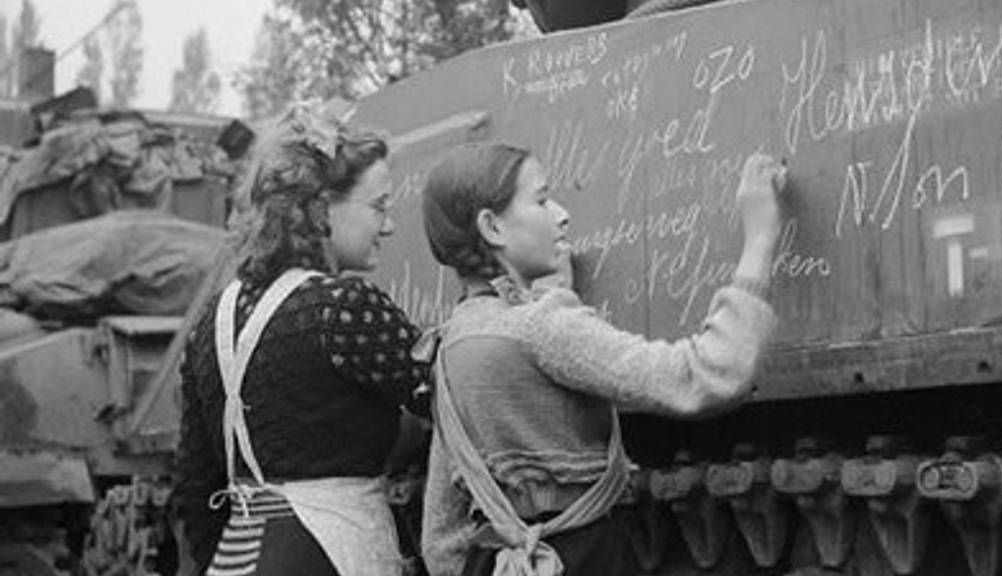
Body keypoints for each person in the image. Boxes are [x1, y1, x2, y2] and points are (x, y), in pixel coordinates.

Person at [418, 142, 786, 576]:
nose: (561, 214)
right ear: (492, 227)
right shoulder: (544, 329)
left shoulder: (450, 345)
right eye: (540, 200)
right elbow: (710, 373)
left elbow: (440, 539)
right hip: (586, 559)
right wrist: (760, 239)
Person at [173, 102, 431, 576]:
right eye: (378, 207)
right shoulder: (343, 306)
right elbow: (451, 399)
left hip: (237, 558)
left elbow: (195, 481)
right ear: (320, 208)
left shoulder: (213, 318)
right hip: (332, 554)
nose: (389, 225)